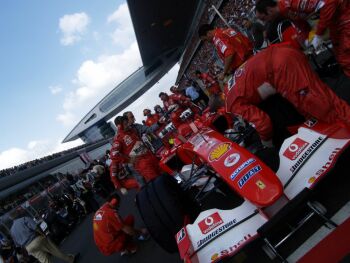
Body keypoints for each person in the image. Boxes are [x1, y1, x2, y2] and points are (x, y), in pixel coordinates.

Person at [225, 44, 350, 143]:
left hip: (281, 67)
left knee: (320, 106)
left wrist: (266, 143)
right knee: (319, 102)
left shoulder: (231, 103)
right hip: (282, 52)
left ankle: (345, 129)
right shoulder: (229, 86)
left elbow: (263, 123)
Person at [256, 0, 350, 77]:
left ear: (269, 10)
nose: (265, 22)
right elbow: (301, 23)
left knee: (346, 58)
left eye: (264, 18)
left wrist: (318, 34)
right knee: (341, 56)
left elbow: (329, 3)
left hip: (344, 15)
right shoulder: (284, 12)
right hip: (337, 21)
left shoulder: (290, 3)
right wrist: (306, 39)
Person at [110, 115, 161, 193]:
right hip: (142, 164)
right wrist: (129, 160)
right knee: (157, 183)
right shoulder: (118, 139)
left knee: (163, 175)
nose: (128, 125)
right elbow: (114, 156)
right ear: (119, 126)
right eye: (125, 124)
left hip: (150, 156)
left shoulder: (133, 130)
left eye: (127, 123)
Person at [10, 216, 78, 263]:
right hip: (37, 239)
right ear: (18, 217)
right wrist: (43, 235)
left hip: (28, 248)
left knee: (44, 261)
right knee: (54, 251)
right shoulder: (24, 219)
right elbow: (35, 227)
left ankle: (71, 259)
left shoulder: (12, 231)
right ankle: (71, 260)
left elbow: (18, 245)